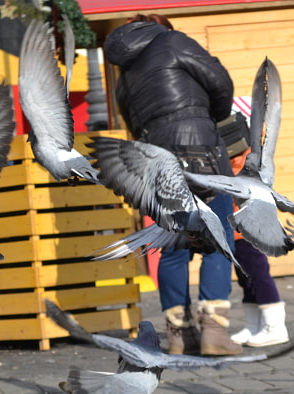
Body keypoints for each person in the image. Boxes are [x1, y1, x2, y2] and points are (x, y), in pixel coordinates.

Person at [104, 13, 242, 356]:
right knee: (219, 236)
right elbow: (221, 83)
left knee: (175, 245)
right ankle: (214, 333)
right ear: (160, 27)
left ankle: (179, 336)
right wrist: (208, 117)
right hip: (202, 151)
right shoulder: (172, 41)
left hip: (158, 162)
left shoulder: (124, 74)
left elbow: (131, 123)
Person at [220, 97, 289, 347]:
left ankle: (275, 326)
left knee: (258, 273)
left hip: (250, 225)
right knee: (246, 276)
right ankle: (254, 325)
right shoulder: (241, 150)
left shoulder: (247, 153)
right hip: (239, 226)